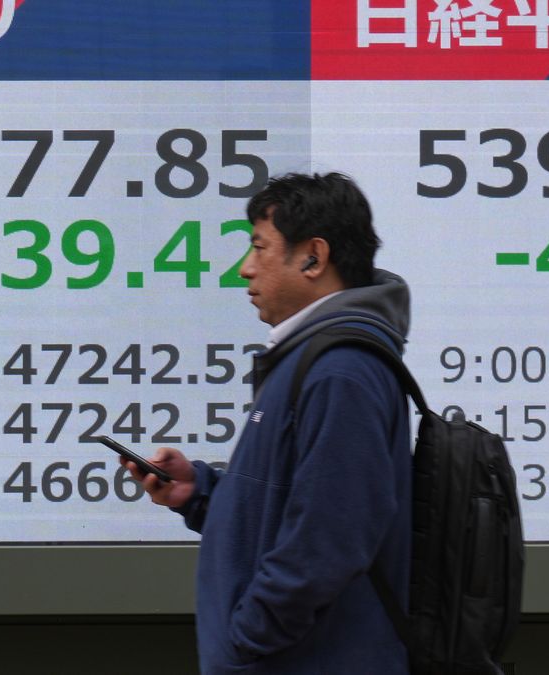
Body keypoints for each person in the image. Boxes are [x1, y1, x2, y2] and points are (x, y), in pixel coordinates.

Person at [121, 172, 413, 674]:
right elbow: (290, 510)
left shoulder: (341, 372)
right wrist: (199, 492)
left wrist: (248, 639)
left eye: (259, 247)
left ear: (313, 257)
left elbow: (329, 540)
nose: (245, 268)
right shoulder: (314, 360)